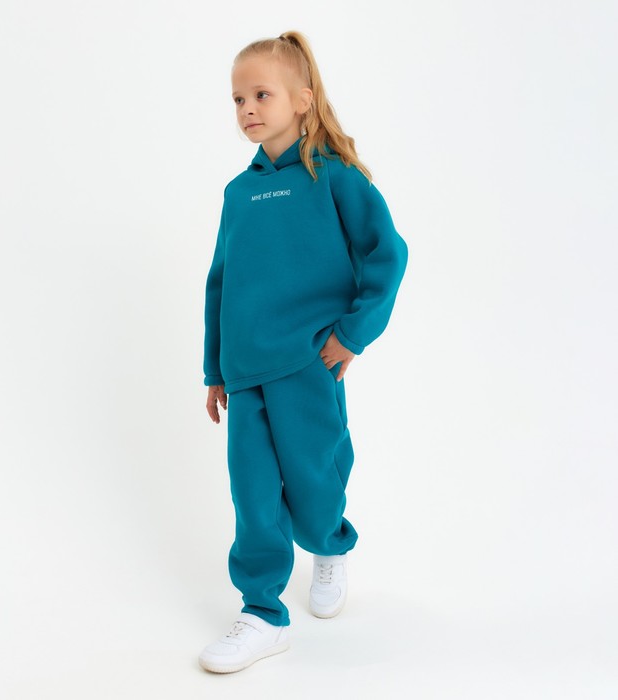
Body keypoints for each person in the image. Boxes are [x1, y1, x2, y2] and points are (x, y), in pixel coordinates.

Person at [199, 30, 408, 674]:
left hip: (309, 366)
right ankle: (262, 612)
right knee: (253, 496)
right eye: (238, 99)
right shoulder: (238, 194)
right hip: (245, 374)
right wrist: (214, 368)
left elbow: (388, 254)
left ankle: (329, 544)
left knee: (316, 491)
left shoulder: (333, 178)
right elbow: (221, 282)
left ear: (302, 99)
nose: (247, 109)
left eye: (261, 95)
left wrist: (352, 334)